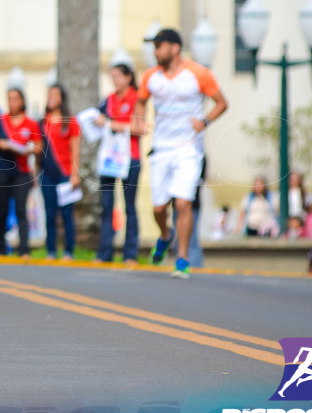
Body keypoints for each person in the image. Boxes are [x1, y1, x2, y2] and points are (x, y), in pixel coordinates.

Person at [134, 28, 228, 278]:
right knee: (158, 209)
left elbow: (222, 102)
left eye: (159, 46)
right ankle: (166, 235)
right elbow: (140, 102)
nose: (155, 51)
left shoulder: (198, 73)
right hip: (161, 149)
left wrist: (205, 121)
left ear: (175, 48)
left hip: (189, 148)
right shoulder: (151, 77)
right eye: (154, 46)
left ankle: (182, 259)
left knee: (183, 202)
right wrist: (140, 122)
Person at [94, 63, 143, 263]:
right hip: (109, 158)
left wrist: (112, 124)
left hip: (130, 157)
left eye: (118, 77)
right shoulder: (109, 99)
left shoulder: (137, 97)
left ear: (128, 77)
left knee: (129, 206)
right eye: (112, 77)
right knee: (107, 206)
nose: (115, 81)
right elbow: (102, 120)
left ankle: (130, 253)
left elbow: (139, 127)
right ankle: (105, 252)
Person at [0, 88, 42, 258]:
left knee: (21, 210)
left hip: (22, 172)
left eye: (15, 99)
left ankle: (24, 249)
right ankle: (0, 248)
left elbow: (39, 147)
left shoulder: (30, 124)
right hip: (2, 170)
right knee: (2, 210)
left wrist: (28, 151)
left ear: (22, 101)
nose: (12, 103)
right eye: (10, 99)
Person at [39, 84, 80, 260]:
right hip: (47, 174)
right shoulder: (42, 123)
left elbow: (75, 150)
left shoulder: (70, 122)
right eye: (49, 94)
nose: (51, 97)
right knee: (50, 213)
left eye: (55, 94)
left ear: (62, 98)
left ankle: (68, 250)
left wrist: (75, 174)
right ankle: (51, 250)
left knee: (66, 214)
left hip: (65, 173)